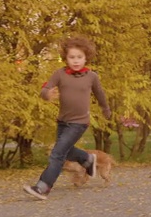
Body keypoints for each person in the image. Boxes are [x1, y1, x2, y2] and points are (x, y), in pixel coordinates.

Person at [23, 36, 111, 200]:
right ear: (65, 58)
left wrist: (105, 109)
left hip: (80, 122)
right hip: (63, 121)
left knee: (57, 154)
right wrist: (47, 94)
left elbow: (100, 94)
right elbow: (46, 88)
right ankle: (87, 159)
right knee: (67, 150)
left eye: (79, 57)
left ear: (86, 57)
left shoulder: (92, 76)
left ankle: (42, 187)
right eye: (72, 57)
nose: (76, 61)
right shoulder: (59, 74)